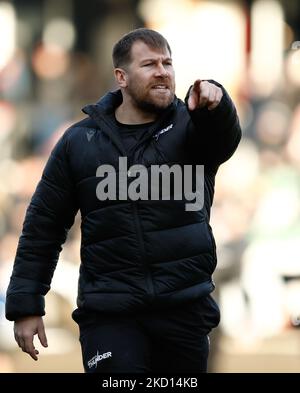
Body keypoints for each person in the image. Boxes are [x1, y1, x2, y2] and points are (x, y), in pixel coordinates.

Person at [6, 28, 241, 373]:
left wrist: (218, 101)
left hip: (184, 311)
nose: (162, 71)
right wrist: (27, 304)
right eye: (149, 64)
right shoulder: (80, 142)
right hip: (109, 315)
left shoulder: (193, 128)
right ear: (122, 77)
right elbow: (43, 226)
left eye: (168, 63)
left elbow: (225, 136)